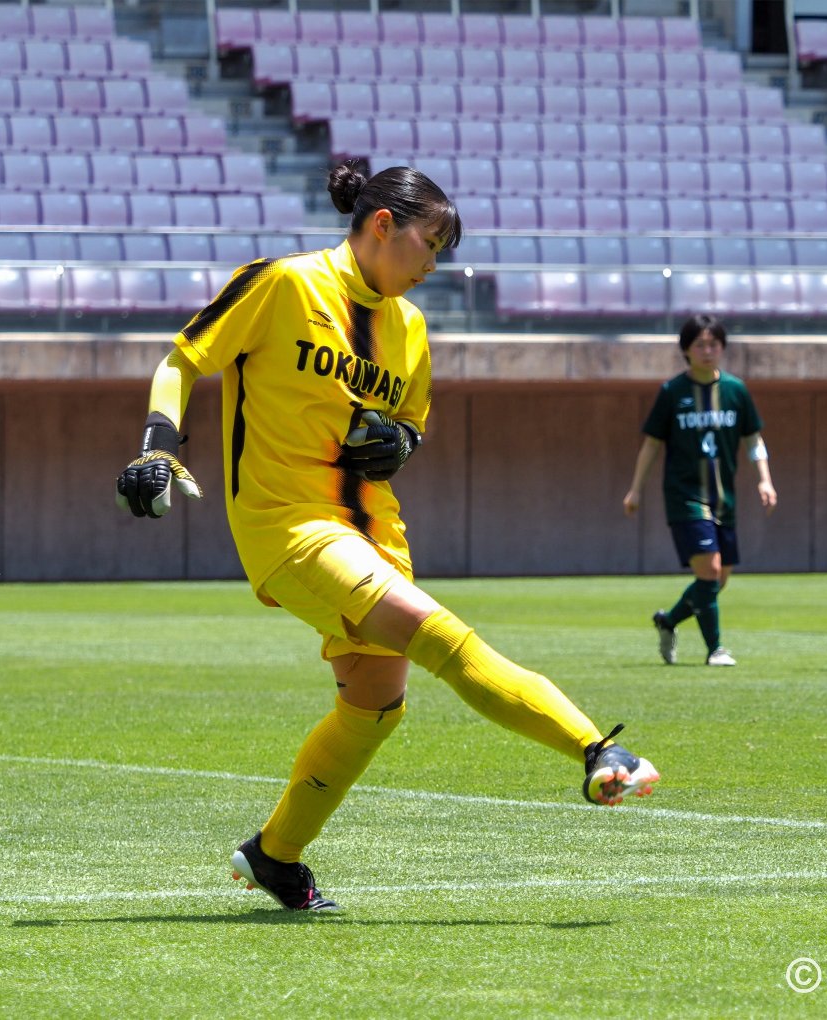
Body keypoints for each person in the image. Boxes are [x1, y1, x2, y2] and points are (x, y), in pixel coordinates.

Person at [114, 162, 659, 912]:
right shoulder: (282, 283)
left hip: (375, 531)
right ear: (381, 225)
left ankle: (274, 855)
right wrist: (157, 446)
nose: (435, 264)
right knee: (437, 636)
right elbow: (183, 358)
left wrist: (398, 444)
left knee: (376, 703)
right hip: (289, 525)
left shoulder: (409, 326)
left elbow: (411, 426)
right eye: (430, 244)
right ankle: (596, 748)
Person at [624, 315, 776, 667]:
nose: (708, 351)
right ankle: (715, 650)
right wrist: (635, 489)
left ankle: (669, 620)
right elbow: (651, 445)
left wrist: (764, 479)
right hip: (685, 497)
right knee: (709, 572)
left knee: (718, 580)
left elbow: (753, 440)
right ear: (686, 351)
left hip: (724, 500)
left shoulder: (736, 391)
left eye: (714, 344)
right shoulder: (672, 392)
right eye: (700, 345)